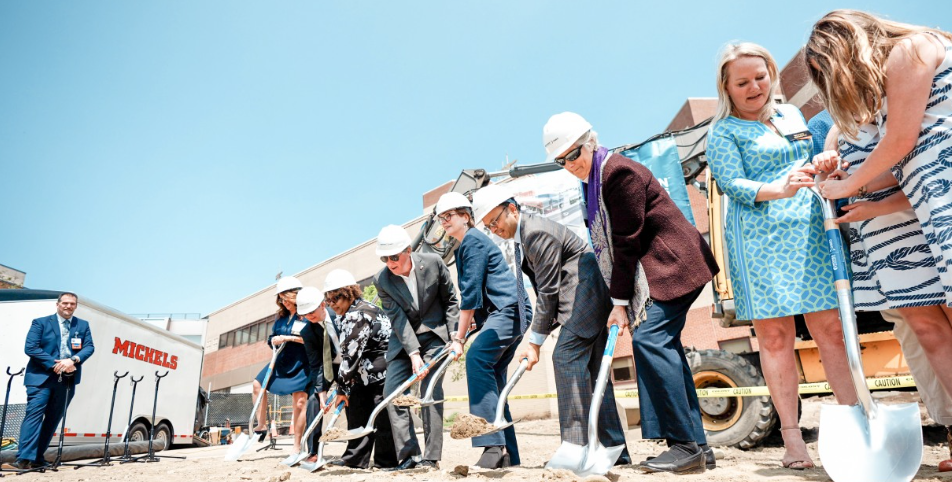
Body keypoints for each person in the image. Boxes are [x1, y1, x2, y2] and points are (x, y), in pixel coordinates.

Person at [704, 42, 860, 470]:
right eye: (743, 82)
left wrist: (824, 160)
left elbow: (812, 161)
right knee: (776, 339)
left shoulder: (791, 115)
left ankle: (856, 426)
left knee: (830, 330)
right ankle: (794, 441)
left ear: (772, 74)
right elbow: (733, 185)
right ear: (727, 88)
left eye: (761, 76)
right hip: (760, 240)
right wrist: (780, 188)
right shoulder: (723, 132)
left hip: (810, 230)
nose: (754, 86)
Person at [542, 111, 715, 474]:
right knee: (664, 345)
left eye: (574, 154)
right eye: (561, 160)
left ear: (590, 141)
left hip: (675, 265)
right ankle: (697, 446)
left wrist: (619, 303)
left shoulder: (616, 173)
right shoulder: (592, 180)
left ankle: (684, 445)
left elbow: (625, 243)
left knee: (650, 341)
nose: (569, 164)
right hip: (663, 268)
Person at [806, 9, 952, 414]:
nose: (837, 82)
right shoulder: (872, 101)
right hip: (923, 210)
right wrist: (835, 179)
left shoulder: (911, 50)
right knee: (927, 329)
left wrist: (849, 185)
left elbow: (902, 142)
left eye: (834, 68)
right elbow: (912, 165)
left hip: (937, 209)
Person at [818, 123, 952, 472]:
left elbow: (914, 159)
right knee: (927, 334)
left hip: (924, 218)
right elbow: (834, 178)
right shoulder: (831, 128)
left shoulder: (894, 99)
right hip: (883, 237)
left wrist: (855, 185)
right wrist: (825, 170)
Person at [472, 184, 633, 467]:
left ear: (512, 208)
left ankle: (576, 448)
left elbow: (547, 291)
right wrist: (536, 337)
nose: (494, 229)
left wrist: (534, 340)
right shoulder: (526, 235)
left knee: (565, 358)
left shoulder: (535, 232)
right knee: (595, 375)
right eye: (488, 227)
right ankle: (615, 451)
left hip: (585, 296)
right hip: (586, 300)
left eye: (495, 221)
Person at [436, 191, 532, 469]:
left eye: (449, 215)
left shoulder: (472, 242)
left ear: (466, 216)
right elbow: (476, 302)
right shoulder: (465, 246)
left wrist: (459, 338)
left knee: (476, 358)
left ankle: (491, 446)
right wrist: (471, 325)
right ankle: (508, 455)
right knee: (494, 380)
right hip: (508, 312)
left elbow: (469, 296)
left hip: (509, 309)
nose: (444, 221)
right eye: (441, 218)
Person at [373, 224, 461, 471]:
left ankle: (431, 458)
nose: (389, 263)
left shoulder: (433, 263)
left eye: (394, 257)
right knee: (393, 393)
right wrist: (413, 353)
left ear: (408, 250)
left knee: (429, 388)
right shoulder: (381, 280)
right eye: (384, 258)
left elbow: (451, 301)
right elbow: (398, 320)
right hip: (403, 343)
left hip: (435, 337)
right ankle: (409, 456)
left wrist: (456, 337)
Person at [325, 269, 398, 470]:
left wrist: (341, 389)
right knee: (357, 412)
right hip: (363, 373)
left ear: (348, 293)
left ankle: (386, 462)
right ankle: (355, 459)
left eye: (336, 299)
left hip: (380, 371)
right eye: (328, 300)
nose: (332, 304)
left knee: (381, 417)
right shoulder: (355, 311)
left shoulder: (358, 315)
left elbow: (350, 357)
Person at [13, 292, 94, 470]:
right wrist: (55, 364)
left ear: (76, 306)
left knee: (53, 419)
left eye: (72, 304)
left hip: (67, 380)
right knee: (33, 417)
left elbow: (89, 347)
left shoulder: (82, 325)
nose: (68, 306)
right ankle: (24, 458)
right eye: (65, 303)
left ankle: (37, 457)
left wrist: (72, 361)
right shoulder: (40, 323)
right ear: (57, 305)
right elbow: (31, 347)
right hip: (41, 378)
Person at [251, 276, 311, 455]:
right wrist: (273, 340)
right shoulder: (281, 317)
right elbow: (273, 337)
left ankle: (297, 445)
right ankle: (260, 426)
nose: (284, 303)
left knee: (299, 402)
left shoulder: (308, 313)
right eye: (281, 299)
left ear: (296, 296)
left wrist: (288, 338)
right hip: (281, 360)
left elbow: (311, 339)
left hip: (301, 362)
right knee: (257, 385)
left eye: (287, 299)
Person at [295, 286, 340, 464]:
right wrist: (322, 392)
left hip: (352, 363)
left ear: (322, 305)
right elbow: (316, 363)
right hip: (329, 367)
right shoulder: (307, 331)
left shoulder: (340, 315)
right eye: (305, 314)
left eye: (311, 312)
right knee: (313, 400)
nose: (309, 317)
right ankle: (313, 450)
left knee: (351, 397)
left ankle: (355, 450)